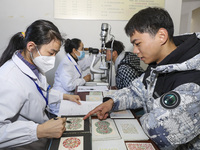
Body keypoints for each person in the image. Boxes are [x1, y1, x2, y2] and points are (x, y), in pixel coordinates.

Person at [84, 7, 200, 150]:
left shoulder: (194, 79)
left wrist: (145, 116)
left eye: (138, 43)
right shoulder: (158, 65)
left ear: (161, 36)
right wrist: (112, 102)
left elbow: (158, 131)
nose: (135, 51)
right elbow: (136, 91)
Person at [0, 20, 81, 149]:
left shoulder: (34, 66)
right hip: (22, 144)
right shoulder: (7, 79)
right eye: (51, 53)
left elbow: (42, 92)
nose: (53, 58)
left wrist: (66, 96)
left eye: (55, 53)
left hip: (40, 138)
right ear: (31, 46)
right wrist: (39, 130)